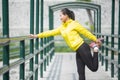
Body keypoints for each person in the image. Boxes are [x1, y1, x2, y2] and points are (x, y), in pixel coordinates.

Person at [29, 8, 102, 80]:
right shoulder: (62, 28)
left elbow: (85, 32)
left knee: (93, 68)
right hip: (78, 50)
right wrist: (37, 35)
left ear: (66, 15)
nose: (60, 18)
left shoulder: (74, 24)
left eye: (61, 15)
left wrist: (95, 39)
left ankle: (95, 49)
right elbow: (50, 32)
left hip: (82, 47)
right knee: (80, 72)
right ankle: (94, 48)